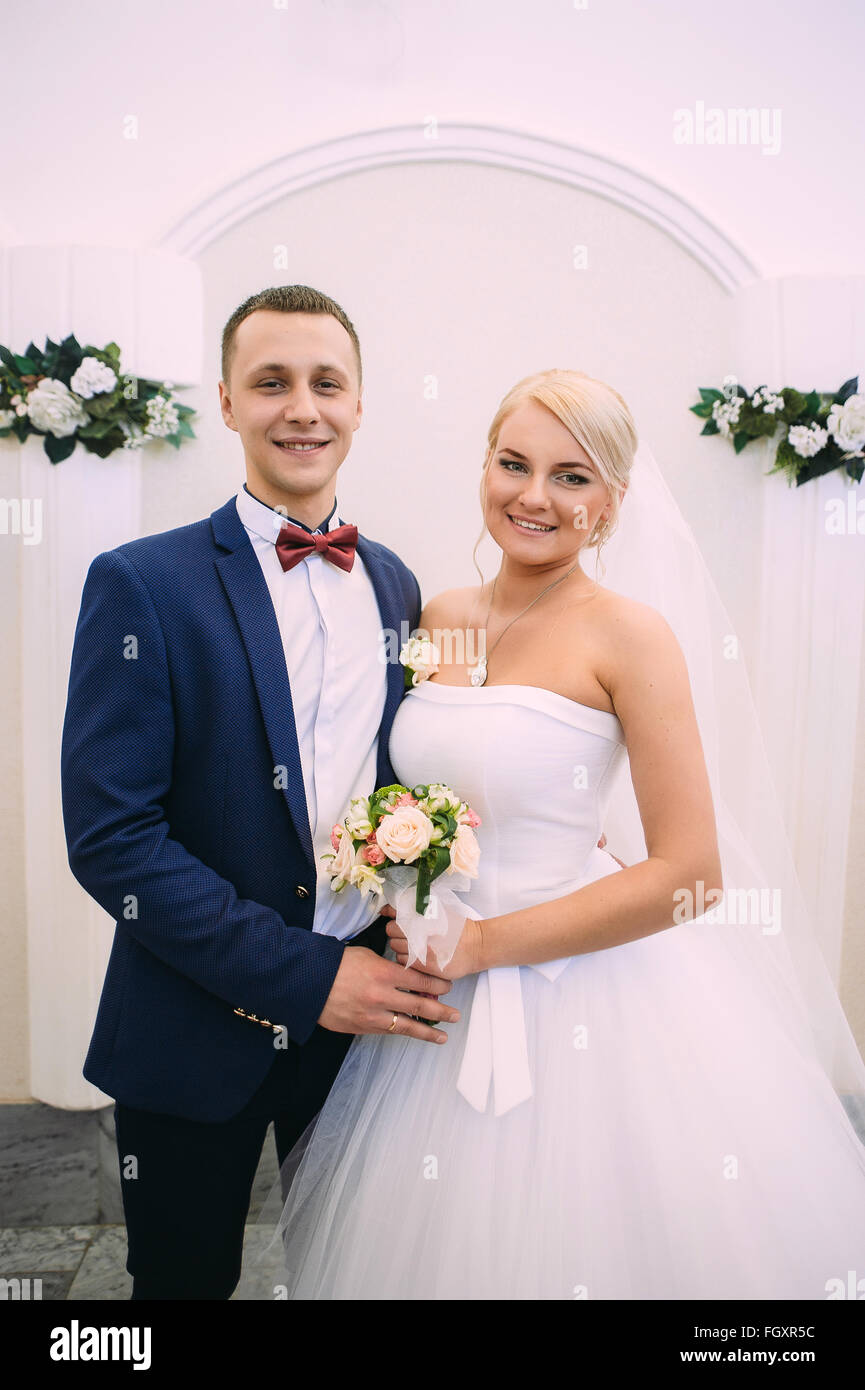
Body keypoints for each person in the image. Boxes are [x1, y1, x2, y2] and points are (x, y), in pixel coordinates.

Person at [247, 368, 865, 1300]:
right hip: (428, 1004)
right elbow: (414, 776)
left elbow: (691, 875)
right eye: (513, 464)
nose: (533, 496)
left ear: (610, 505)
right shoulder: (445, 619)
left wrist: (486, 943)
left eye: (570, 477)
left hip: (582, 992)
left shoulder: (629, 638)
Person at [60, 284, 463, 1300]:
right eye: (271, 382)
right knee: (180, 1286)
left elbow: (406, 782)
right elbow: (113, 838)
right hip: (193, 1024)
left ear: (360, 404)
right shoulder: (141, 581)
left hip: (364, 1039)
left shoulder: (397, 584)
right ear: (230, 404)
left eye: (326, 382)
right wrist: (302, 974)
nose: (302, 407)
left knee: (354, 1274)